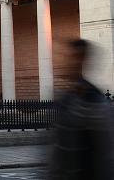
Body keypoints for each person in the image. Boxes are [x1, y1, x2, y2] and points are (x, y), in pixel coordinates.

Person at [48, 39, 114, 179]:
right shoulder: (66, 98)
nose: (61, 62)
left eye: (67, 57)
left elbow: (104, 155)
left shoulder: (95, 102)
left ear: (80, 60)